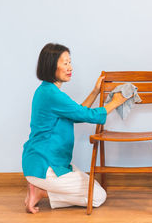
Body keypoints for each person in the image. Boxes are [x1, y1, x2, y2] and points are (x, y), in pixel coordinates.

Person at [22, 43, 129, 214]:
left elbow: (76, 113)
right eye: (65, 63)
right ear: (51, 65)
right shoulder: (52, 95)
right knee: (98, 196)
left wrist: (95, 92)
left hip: (45, 162)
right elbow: (89, 115)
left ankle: (39, 189)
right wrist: (116, 102)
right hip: (44, 165)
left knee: (93, 186)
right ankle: (42, 191)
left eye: (70, 62)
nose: (70, 67)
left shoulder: (47, 91)